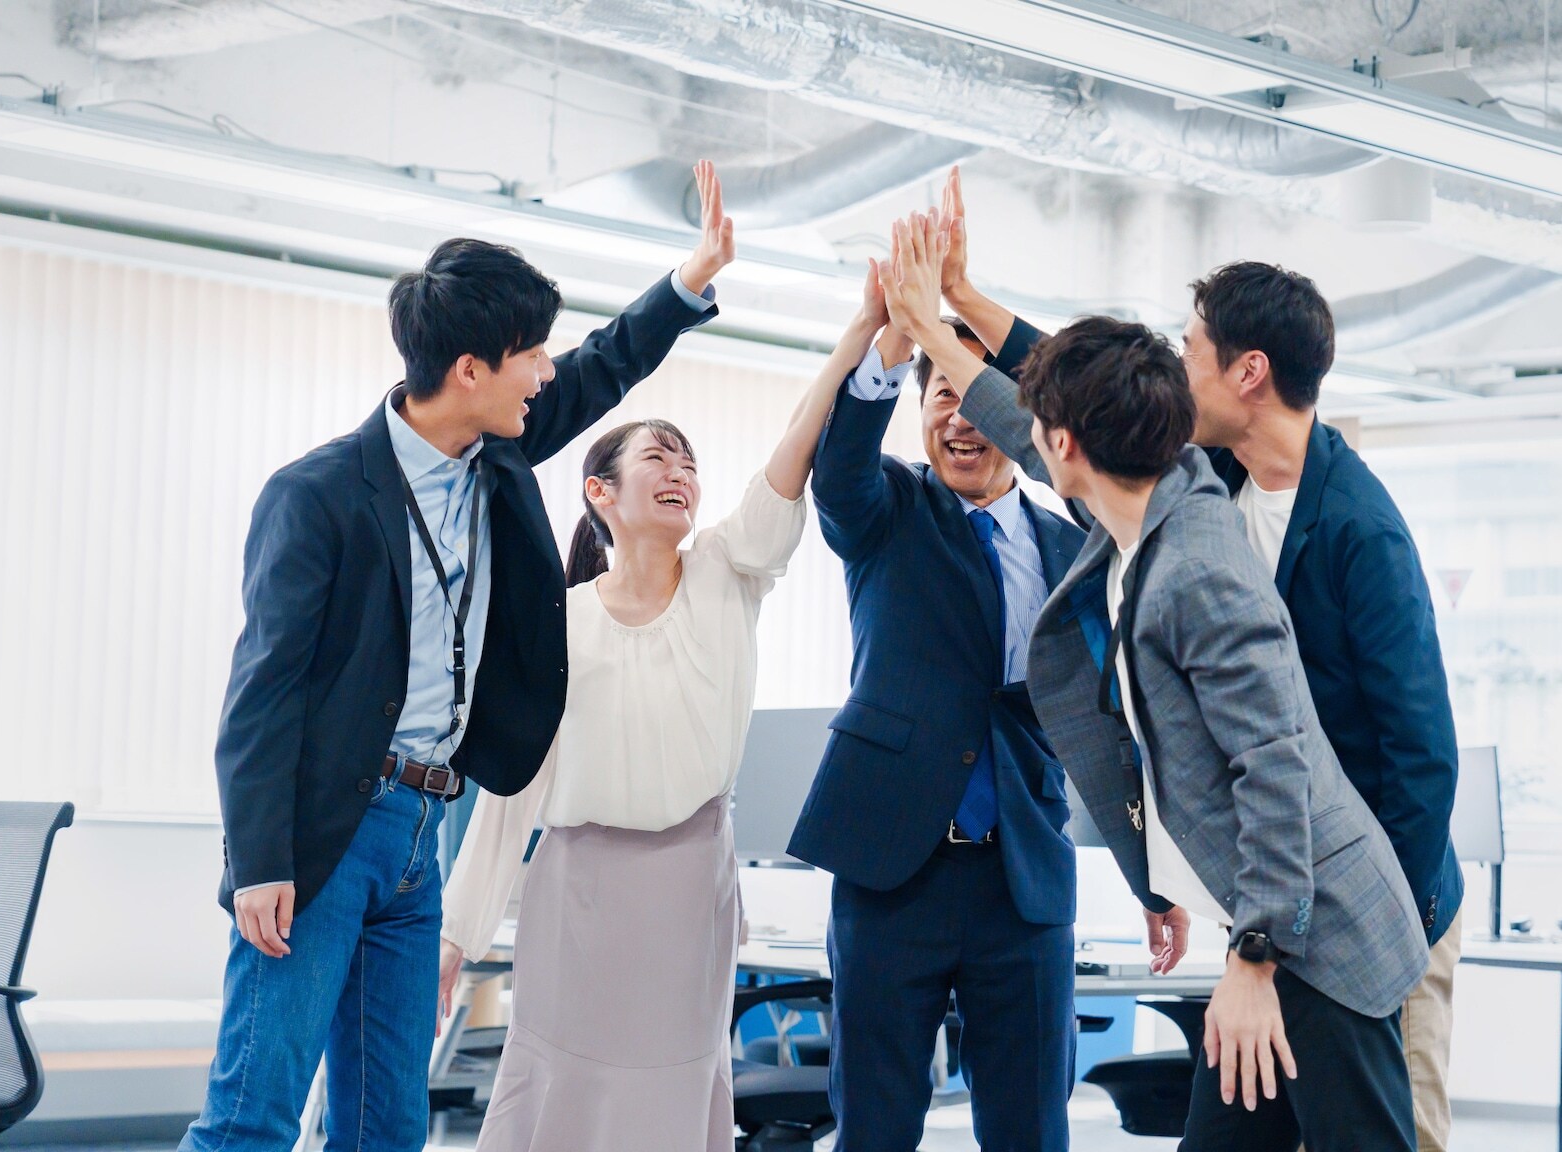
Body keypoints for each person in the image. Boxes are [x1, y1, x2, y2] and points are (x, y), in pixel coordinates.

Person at [180, 164, 734, 1152]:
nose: (546, 374)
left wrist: (688, 283)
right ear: (471, 368)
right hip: (321, 834)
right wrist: (259, 859)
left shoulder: (504, 452)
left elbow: (605, 364)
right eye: (529, 355)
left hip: (419, 832)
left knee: (385, 1123)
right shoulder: (318, 496)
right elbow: (261, 693)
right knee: (251, 1118)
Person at [937, 169, 1465, 1151]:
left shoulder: (1356, 530)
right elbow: (1076, 407)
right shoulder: (1198, 481)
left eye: (1189, 352)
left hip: (1361, 903)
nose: (1174, 373)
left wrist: (1362, 926)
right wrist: (958, 308)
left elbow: (1416, 755)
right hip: (1275, 896)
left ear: (1246, 372)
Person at [433, 264, 904, 1151]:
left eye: (688, 459)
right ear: (600, 493)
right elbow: (508, 802)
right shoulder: (556, 624)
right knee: (558, 1101)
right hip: (577, 896)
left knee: (675, 1107)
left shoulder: (729, 573)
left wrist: (858, 336)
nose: (680, 470)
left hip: (689, 891)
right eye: (657, 455)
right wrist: (455, 941)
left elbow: (791, 457)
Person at [786, 218, 1090, 1152]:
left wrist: (1154, 875)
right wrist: (892, 337)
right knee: (874, 1128)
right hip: (892, 868)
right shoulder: (885, 509)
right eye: (941, 399)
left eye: (975, 399)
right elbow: (834, 467)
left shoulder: (1074, 548)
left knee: (1030, 1129)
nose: (960, 418)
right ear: (919, 416)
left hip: (1022, 876)